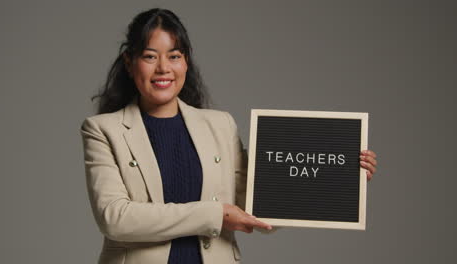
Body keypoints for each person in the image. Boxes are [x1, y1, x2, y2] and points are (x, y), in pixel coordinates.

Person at [80, 8, 378, 264]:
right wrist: (216, 214)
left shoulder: (220, 126)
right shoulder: (103, 129)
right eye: (149, 56)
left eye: (174, 56)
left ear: (186, 62)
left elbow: (262, 206)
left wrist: (340, 177)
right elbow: (115, 219)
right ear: (129, 63)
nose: (163, 68)